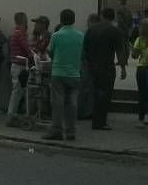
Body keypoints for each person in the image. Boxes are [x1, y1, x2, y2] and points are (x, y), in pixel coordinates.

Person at [83, 8, 128, 131]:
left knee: (94, 92)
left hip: (92, 66)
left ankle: (92, 117)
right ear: (113, 17)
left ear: (102, 16)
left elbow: (85, 48)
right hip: (107, 66)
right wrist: (123, 68)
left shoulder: (91, 29)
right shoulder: (115, 31)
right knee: (105, 94)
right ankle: (100, 122)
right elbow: (120, 50)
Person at [44, 9, 84, 141]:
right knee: (72, 102)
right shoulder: (80, 35)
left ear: (61, 20)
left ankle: (56, 130)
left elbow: (50, 53)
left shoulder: (56, 35)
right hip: (74, 73)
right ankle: (71, 131)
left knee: (57, 103)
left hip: (58, 72)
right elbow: (83, 54)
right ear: (73, 19)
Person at [6, 12, 33, 127]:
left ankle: (14, 115)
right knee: (17, 90)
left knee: (20, 90)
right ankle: (11, 116)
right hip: (19, 65)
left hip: (17, 65)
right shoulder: (19, 34)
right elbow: (26, 48)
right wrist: (34, 53)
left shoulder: (16, 33)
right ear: (23, 20)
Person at [132, 20, 148, 126]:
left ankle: (141, 120)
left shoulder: (139, 40)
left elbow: (134, 56)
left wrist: (134, 50)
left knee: (142, 95)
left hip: (142, 68)